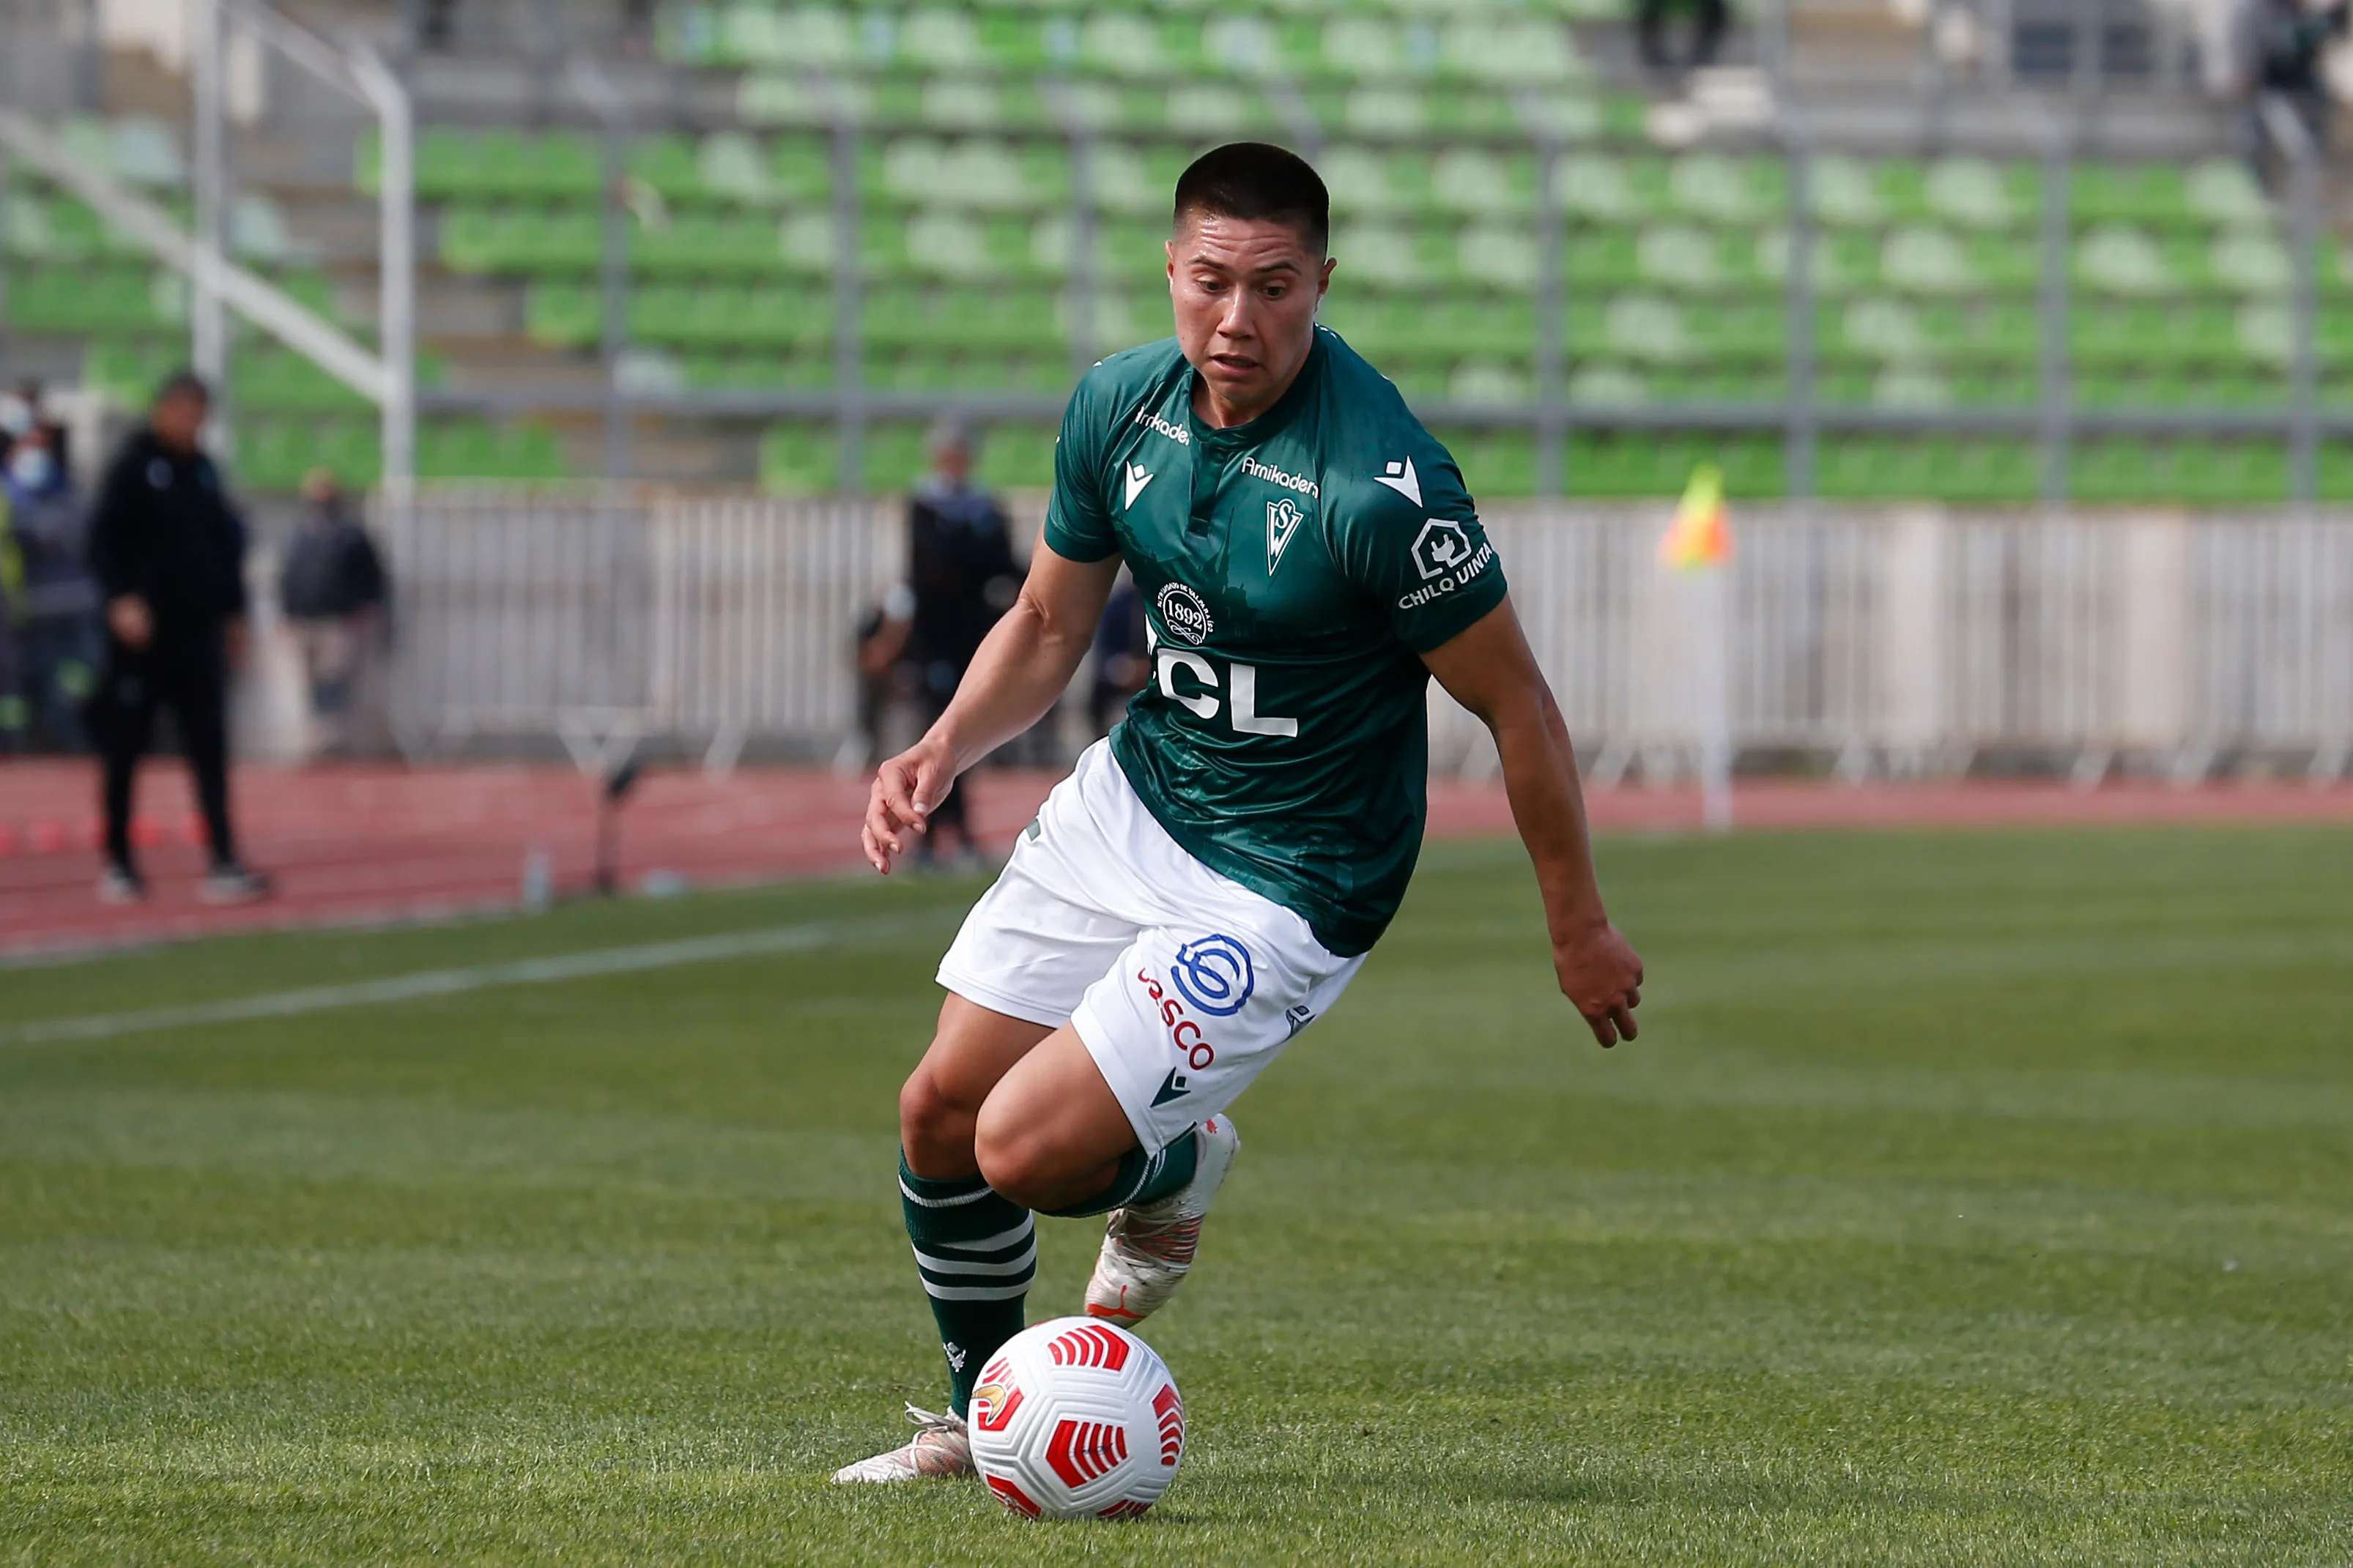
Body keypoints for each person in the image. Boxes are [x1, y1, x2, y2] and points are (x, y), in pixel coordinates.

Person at [834, 143, 1646, 1484]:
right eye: (1210, 281)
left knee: (1021, 1150)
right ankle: (979, 1420)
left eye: (1274, 288)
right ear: (1169, 270)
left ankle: (1170, 1168)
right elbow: (1046, 620)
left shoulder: (1379, 486)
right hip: (1141, 796)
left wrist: (1580, 927)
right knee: (936, 1113)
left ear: (1320, 284)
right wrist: (937, 746)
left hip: (1290, 875)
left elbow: (1519, 708)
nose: (1237, 319)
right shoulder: (1117, 411)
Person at [84, 371, 270, 905]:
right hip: (142, 638)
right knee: (125, 748)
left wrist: (234, 613)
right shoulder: (133, 468)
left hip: (197, 634)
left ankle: (224, 859)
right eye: (188, 410)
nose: (195, 422)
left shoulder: (205, 472)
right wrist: (121, 598)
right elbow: (102, 541)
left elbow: (224, 549)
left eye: (203, 412)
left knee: (209, 746)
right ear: (164, 409)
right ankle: (119, 860)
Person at [867, 418, 1023, 868]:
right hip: (935, 637)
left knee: (962, 736)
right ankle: (933, 834)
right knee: (936, 733)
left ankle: (956, 833)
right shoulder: (925, 506)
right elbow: (931, 570)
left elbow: (1002, 565)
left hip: (973, 636)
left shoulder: (984, 507)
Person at [4, 423, 101, 751]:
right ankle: (30, 741)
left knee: (85, 667)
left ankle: (65, 722)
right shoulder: (13, 499)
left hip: (79, 604)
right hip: (33, 607)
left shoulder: (73, 497)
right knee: (30, 676)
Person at [278, 469, 388, 758]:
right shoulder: (299, 533)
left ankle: (332, 734)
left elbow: (373, 574)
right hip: (304, 619)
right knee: (310, 679)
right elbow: (288, 576)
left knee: (334, 676)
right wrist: (287, 612)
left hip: (339, 620)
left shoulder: (350, 534)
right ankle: (316, 733)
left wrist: (367, 604)